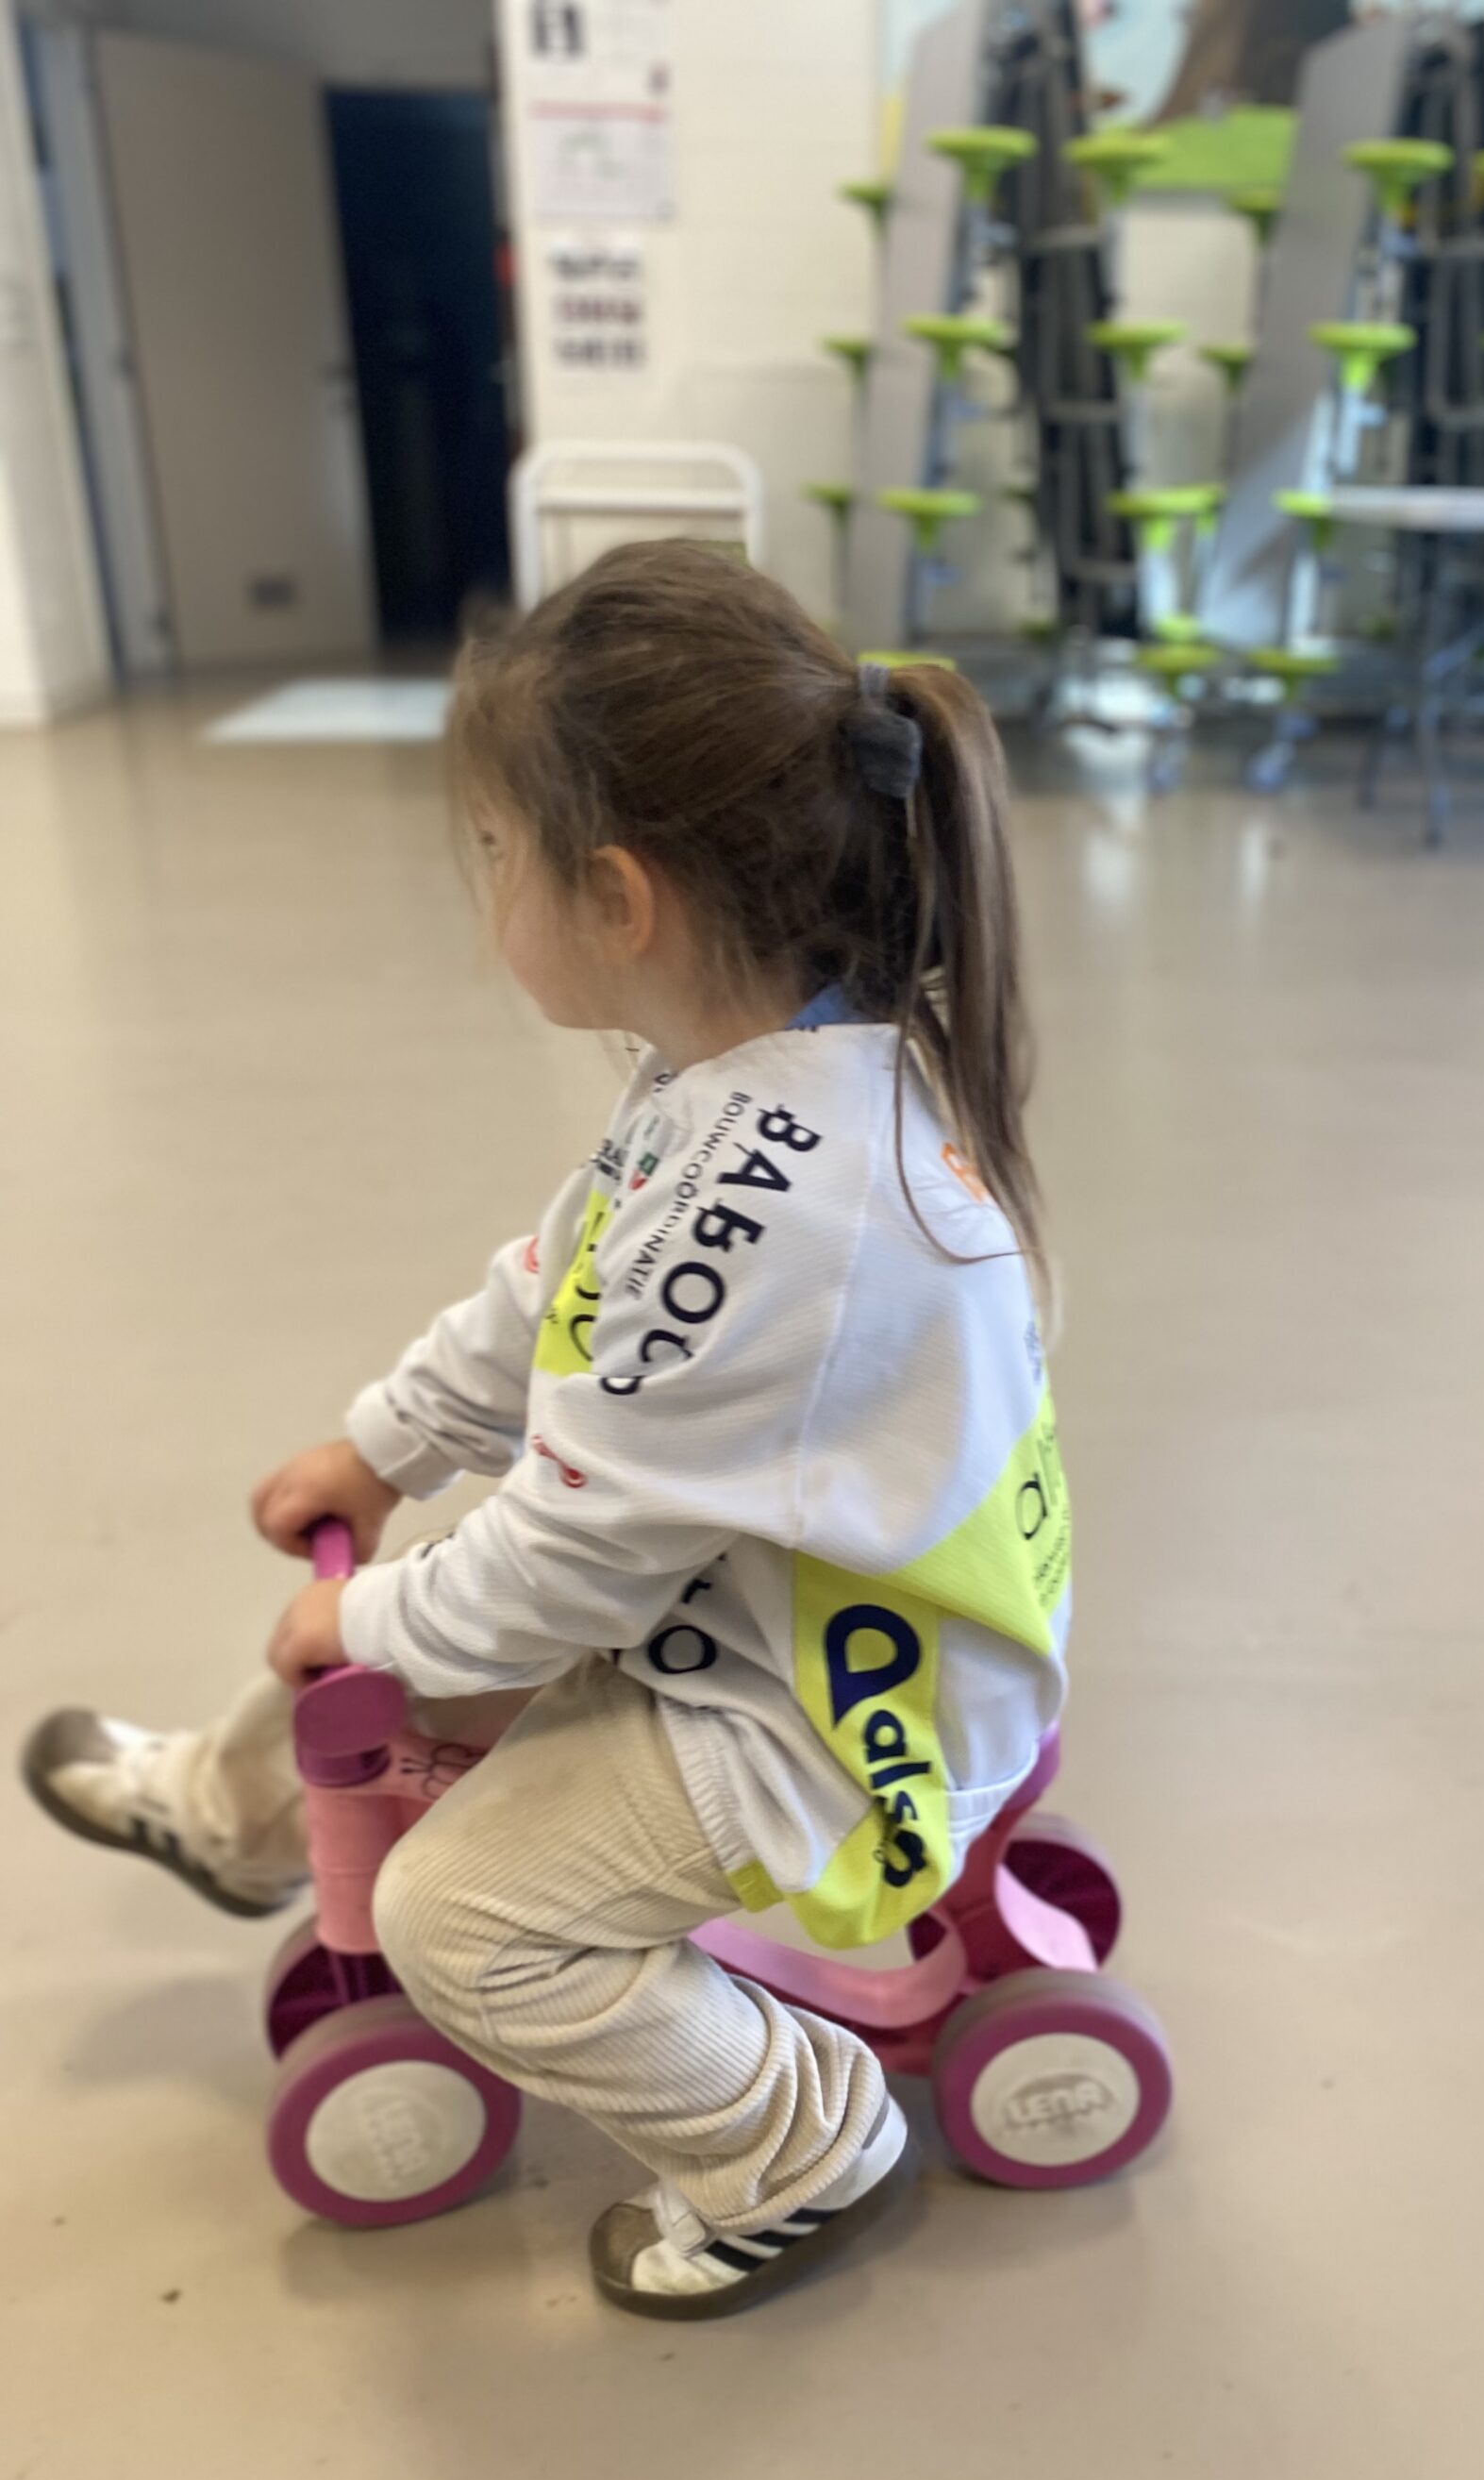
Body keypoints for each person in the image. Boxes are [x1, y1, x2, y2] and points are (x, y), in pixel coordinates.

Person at [21, 543, 1071, 2320]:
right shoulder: (741, 1080)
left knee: (460, 1914)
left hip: (842, 1716)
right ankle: (224, 1812)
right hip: (766, 1612)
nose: (486, 889)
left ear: (617, 896)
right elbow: (555, 1287)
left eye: (496, 852)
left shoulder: (784, 1212)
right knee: (411, 1609)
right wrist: (384, 1448)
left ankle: (797, 2144)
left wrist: (368, 1616)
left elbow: (573, 1565)